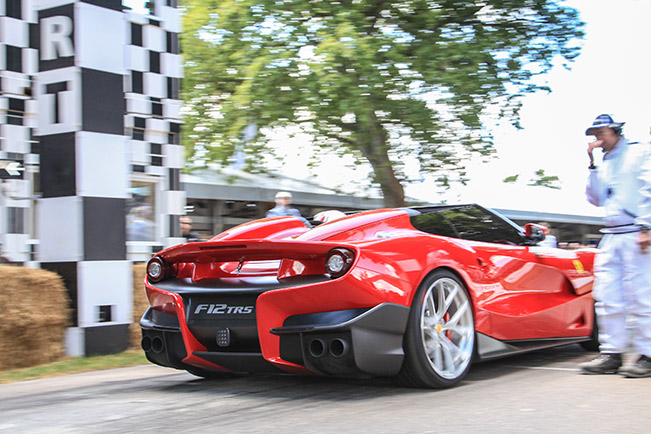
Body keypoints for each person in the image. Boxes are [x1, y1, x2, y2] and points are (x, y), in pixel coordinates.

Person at [578, 114, 651, 378]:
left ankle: (648, 355)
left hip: (637, 232)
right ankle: (612, 353)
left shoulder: (640, 152)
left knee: (642, 296)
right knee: (607, 297)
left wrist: (646, 225)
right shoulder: (605, 161)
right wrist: (592, 165)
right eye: (593, 132)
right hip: (612, 234)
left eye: (601, 131)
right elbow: (595, 199)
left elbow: (649, 188)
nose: (596, 137)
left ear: (616, 130)